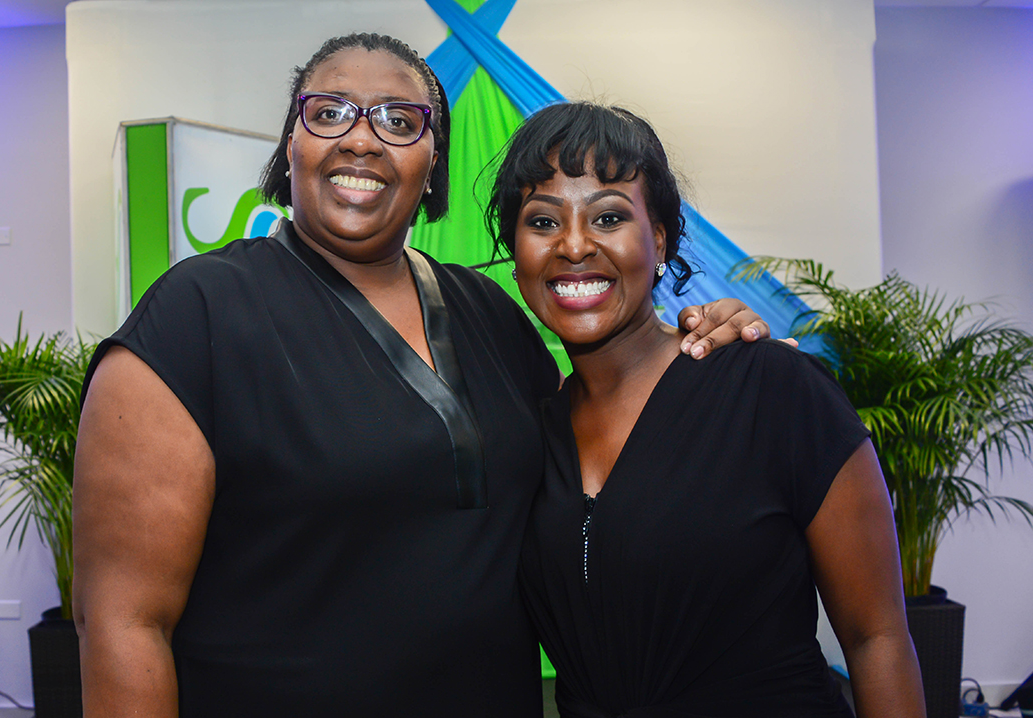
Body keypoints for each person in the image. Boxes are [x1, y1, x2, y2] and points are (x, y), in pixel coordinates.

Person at [72, 34, 774, 717]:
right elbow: (122, 624)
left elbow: (603, 452)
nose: (361, 138)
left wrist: (703, 345)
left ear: (433, 162)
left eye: (400, 121)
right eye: (329, 112)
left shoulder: (489, 311)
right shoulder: (195, 315)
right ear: (291, 146)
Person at [488, 102, 926, 718]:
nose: (575, 245)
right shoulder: (529, 431)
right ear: (516, 251)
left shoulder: (771, 387)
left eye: (609, 216)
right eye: (542, 222)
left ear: (659, 236)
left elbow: (876, 637)